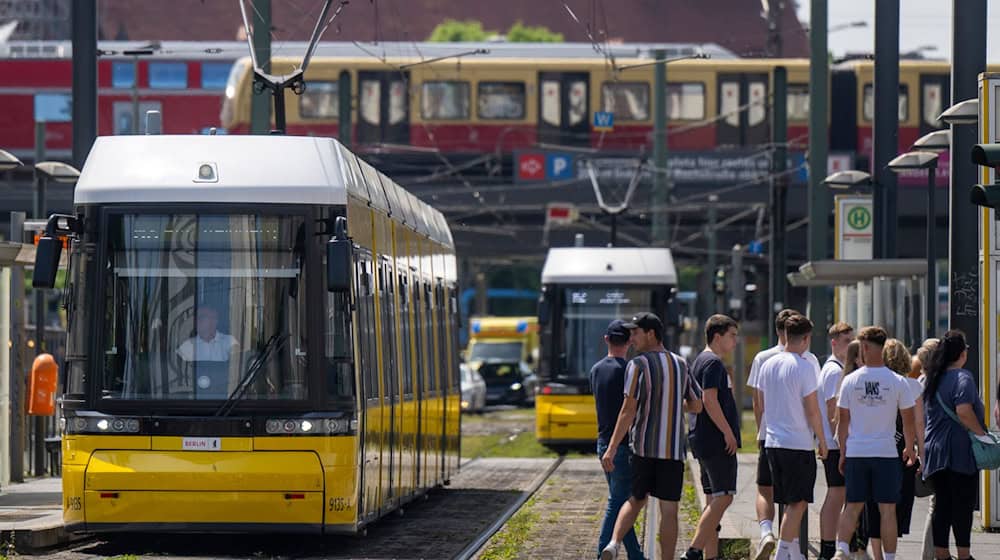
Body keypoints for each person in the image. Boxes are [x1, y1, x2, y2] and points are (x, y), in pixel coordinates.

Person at [600, 312, 703, 560]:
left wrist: (612, 448)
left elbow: (628, 410)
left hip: (644, 448)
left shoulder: (637, 364)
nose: (631, 338)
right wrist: (674, 403)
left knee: (635, 499)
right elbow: (698, 405)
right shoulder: (681, 363)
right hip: (672, 450)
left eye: (635, 333)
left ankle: (613, 544)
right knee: (670, 510)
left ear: (651, 334)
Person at [833, 327, 916, 560]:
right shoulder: (899, 382)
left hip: (858, 452)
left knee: (853, 506)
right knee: (887, 510)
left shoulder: (850, 381)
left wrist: (842, 453)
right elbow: (909, 421)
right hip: (886, 453)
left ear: (865, 348)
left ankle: (841, 549)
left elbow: (843, 422)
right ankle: (889, 557)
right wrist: (909, 448)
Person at [747, 309, 822, 560]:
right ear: (806, 338)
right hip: (798, 442)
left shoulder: (767, 364)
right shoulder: (805, 366)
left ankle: (791, 551)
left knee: (778, 496)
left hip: (772, 441)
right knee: (797, 502)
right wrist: (821, 439)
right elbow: (812, 409)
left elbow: (760, 403)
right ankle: (782, 552)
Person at [922, 330, 986, 560]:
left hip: (936, 453)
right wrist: (981, 434)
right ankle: (964, 555)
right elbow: (963, 410)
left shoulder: (933, 378)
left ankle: (941, 554)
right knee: (962, 507)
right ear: (962, 353)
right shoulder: (963, 378)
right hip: (959, 454)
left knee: (942, 507)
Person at [858, 339, 924, 560]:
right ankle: (890, 557)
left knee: (874, 509)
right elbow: (918, 424)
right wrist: (921, 452)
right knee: (894, 508)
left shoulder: (872, 385)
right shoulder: (913, 386)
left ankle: (877, 556)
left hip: (873, 451)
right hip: (903, 454)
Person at [682, 315, 741, 560]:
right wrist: (728, 432)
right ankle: (694, 551)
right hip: (716, 440)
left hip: (701, 438)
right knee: (724, 496)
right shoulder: (713, 363)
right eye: (732, 336)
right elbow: (709, 400)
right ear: (717, 336)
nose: (736, 342)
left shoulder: (698, 361)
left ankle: (711, 555)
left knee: (712, 499)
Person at [592, 319, 645, 560]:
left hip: (603, 442)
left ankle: (635, 555)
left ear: (606, 340)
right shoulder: (629, 370)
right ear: (629, 343)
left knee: (623, 501)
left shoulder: (596, 370)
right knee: (618, 502)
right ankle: (603, 550)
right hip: (622, 444)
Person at [818, 322, 855, 560]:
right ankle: (829, 547)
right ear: (834, 343)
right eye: (845, 341)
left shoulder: (839, 368)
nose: (850, 345)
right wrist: (842, 445)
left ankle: (834, 546)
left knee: (838, 494)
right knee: (836, 494)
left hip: (835, 444)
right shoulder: (834, 371)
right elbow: (834, 411)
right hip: (836, 445)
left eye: (852, 340)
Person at [915, 338, 940, 560]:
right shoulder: (931, 384)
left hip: (926, 447)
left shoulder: (920, 382)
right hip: (933, 449)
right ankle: (930, 554)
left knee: (936, 504)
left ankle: (932, 553)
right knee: (937, 504)